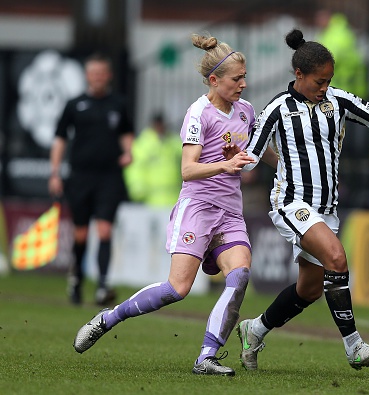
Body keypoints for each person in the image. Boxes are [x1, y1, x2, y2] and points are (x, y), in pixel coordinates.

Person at [231, 28, 369, 371]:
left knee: (308, 289)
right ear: (299, 74)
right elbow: (252, 152)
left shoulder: (337, 100)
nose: (324, 87)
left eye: (328, 80)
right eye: (319, 81)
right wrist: (232, 156)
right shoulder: (278, 108)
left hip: (326, 208)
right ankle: (354, 346)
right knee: (337, 258)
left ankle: (255, 329)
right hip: (291, 203)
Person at [72, 34, 267, 377]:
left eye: (244, 77)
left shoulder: (247, 112)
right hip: (198, 208)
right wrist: (225, 165)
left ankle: (206, 356)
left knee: (239, 276)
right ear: (214, 80)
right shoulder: (199, 113)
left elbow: (250, 156)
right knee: (178, 289)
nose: (243, 84)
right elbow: (188, 170)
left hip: (230, 213)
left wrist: (280, 167)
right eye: (237, 79)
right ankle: (107, 319)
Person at [49, 53, 134, 306]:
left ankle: (103, 284)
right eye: (93, 73)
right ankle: (76, 278)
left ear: (108, 76)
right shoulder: (75, 104)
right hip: (80, 177)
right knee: (81, 233)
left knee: (105, 229)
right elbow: (60, 138)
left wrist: (128, 152)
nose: (97, 78)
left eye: (101, 73)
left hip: (109, 177)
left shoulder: (118, 104)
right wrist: (55, 172)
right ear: (87, 76)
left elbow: (127, 133)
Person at [124, 113, 182, 207]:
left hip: (174, 197)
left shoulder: (173, 142)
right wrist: (137, 187)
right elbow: (136, 167)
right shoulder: (144, 144)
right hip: (150, 199)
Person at [315, 9, 368, 98]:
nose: (318, 23)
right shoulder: (336, 32)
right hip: (346, 84)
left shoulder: (335, 34)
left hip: (341, 85)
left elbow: (330, 58)